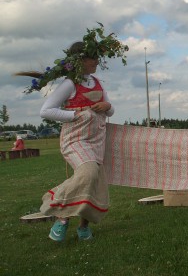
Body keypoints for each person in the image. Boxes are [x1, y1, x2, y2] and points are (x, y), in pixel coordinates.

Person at [16, 24, 128, 242]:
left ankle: (83, 226)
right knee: (87, 174)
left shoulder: (96, 82)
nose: (97, 62)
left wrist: (107, 107)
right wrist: (76, 114)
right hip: (75, 139)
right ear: (81, 61)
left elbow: (111, 108)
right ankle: (59, 211)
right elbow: (46, 110)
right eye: (93, 58)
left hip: (97, 139)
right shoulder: (69, 83)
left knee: (92, 180)